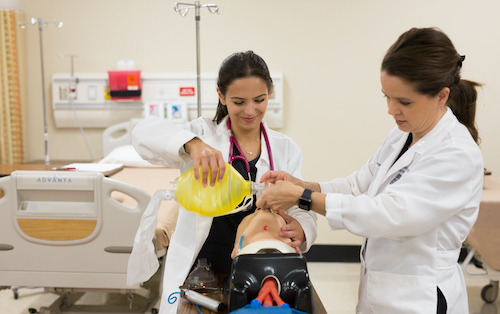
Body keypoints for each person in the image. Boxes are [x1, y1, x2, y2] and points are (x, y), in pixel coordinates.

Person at [255, 27, 484, 314]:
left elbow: (388, 215)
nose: (391, 109)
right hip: (380, 291)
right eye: (386, 97)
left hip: (420, 298)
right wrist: (305, 184)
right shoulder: (403, 134)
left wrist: (301, 197)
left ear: (441, 96)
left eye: (404, 102)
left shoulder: (457, 154)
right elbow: (358, 185)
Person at [131, 50, 317, 314]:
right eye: (239, 101)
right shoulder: (201, 134)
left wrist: (302, 228)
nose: (251, 111)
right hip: (202, 271)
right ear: (221, 95)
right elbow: (142, 133)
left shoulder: (286, 149)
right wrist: (193, 145)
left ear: (270, 93)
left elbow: (301, 207)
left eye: (259, 100)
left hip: (262, 267)